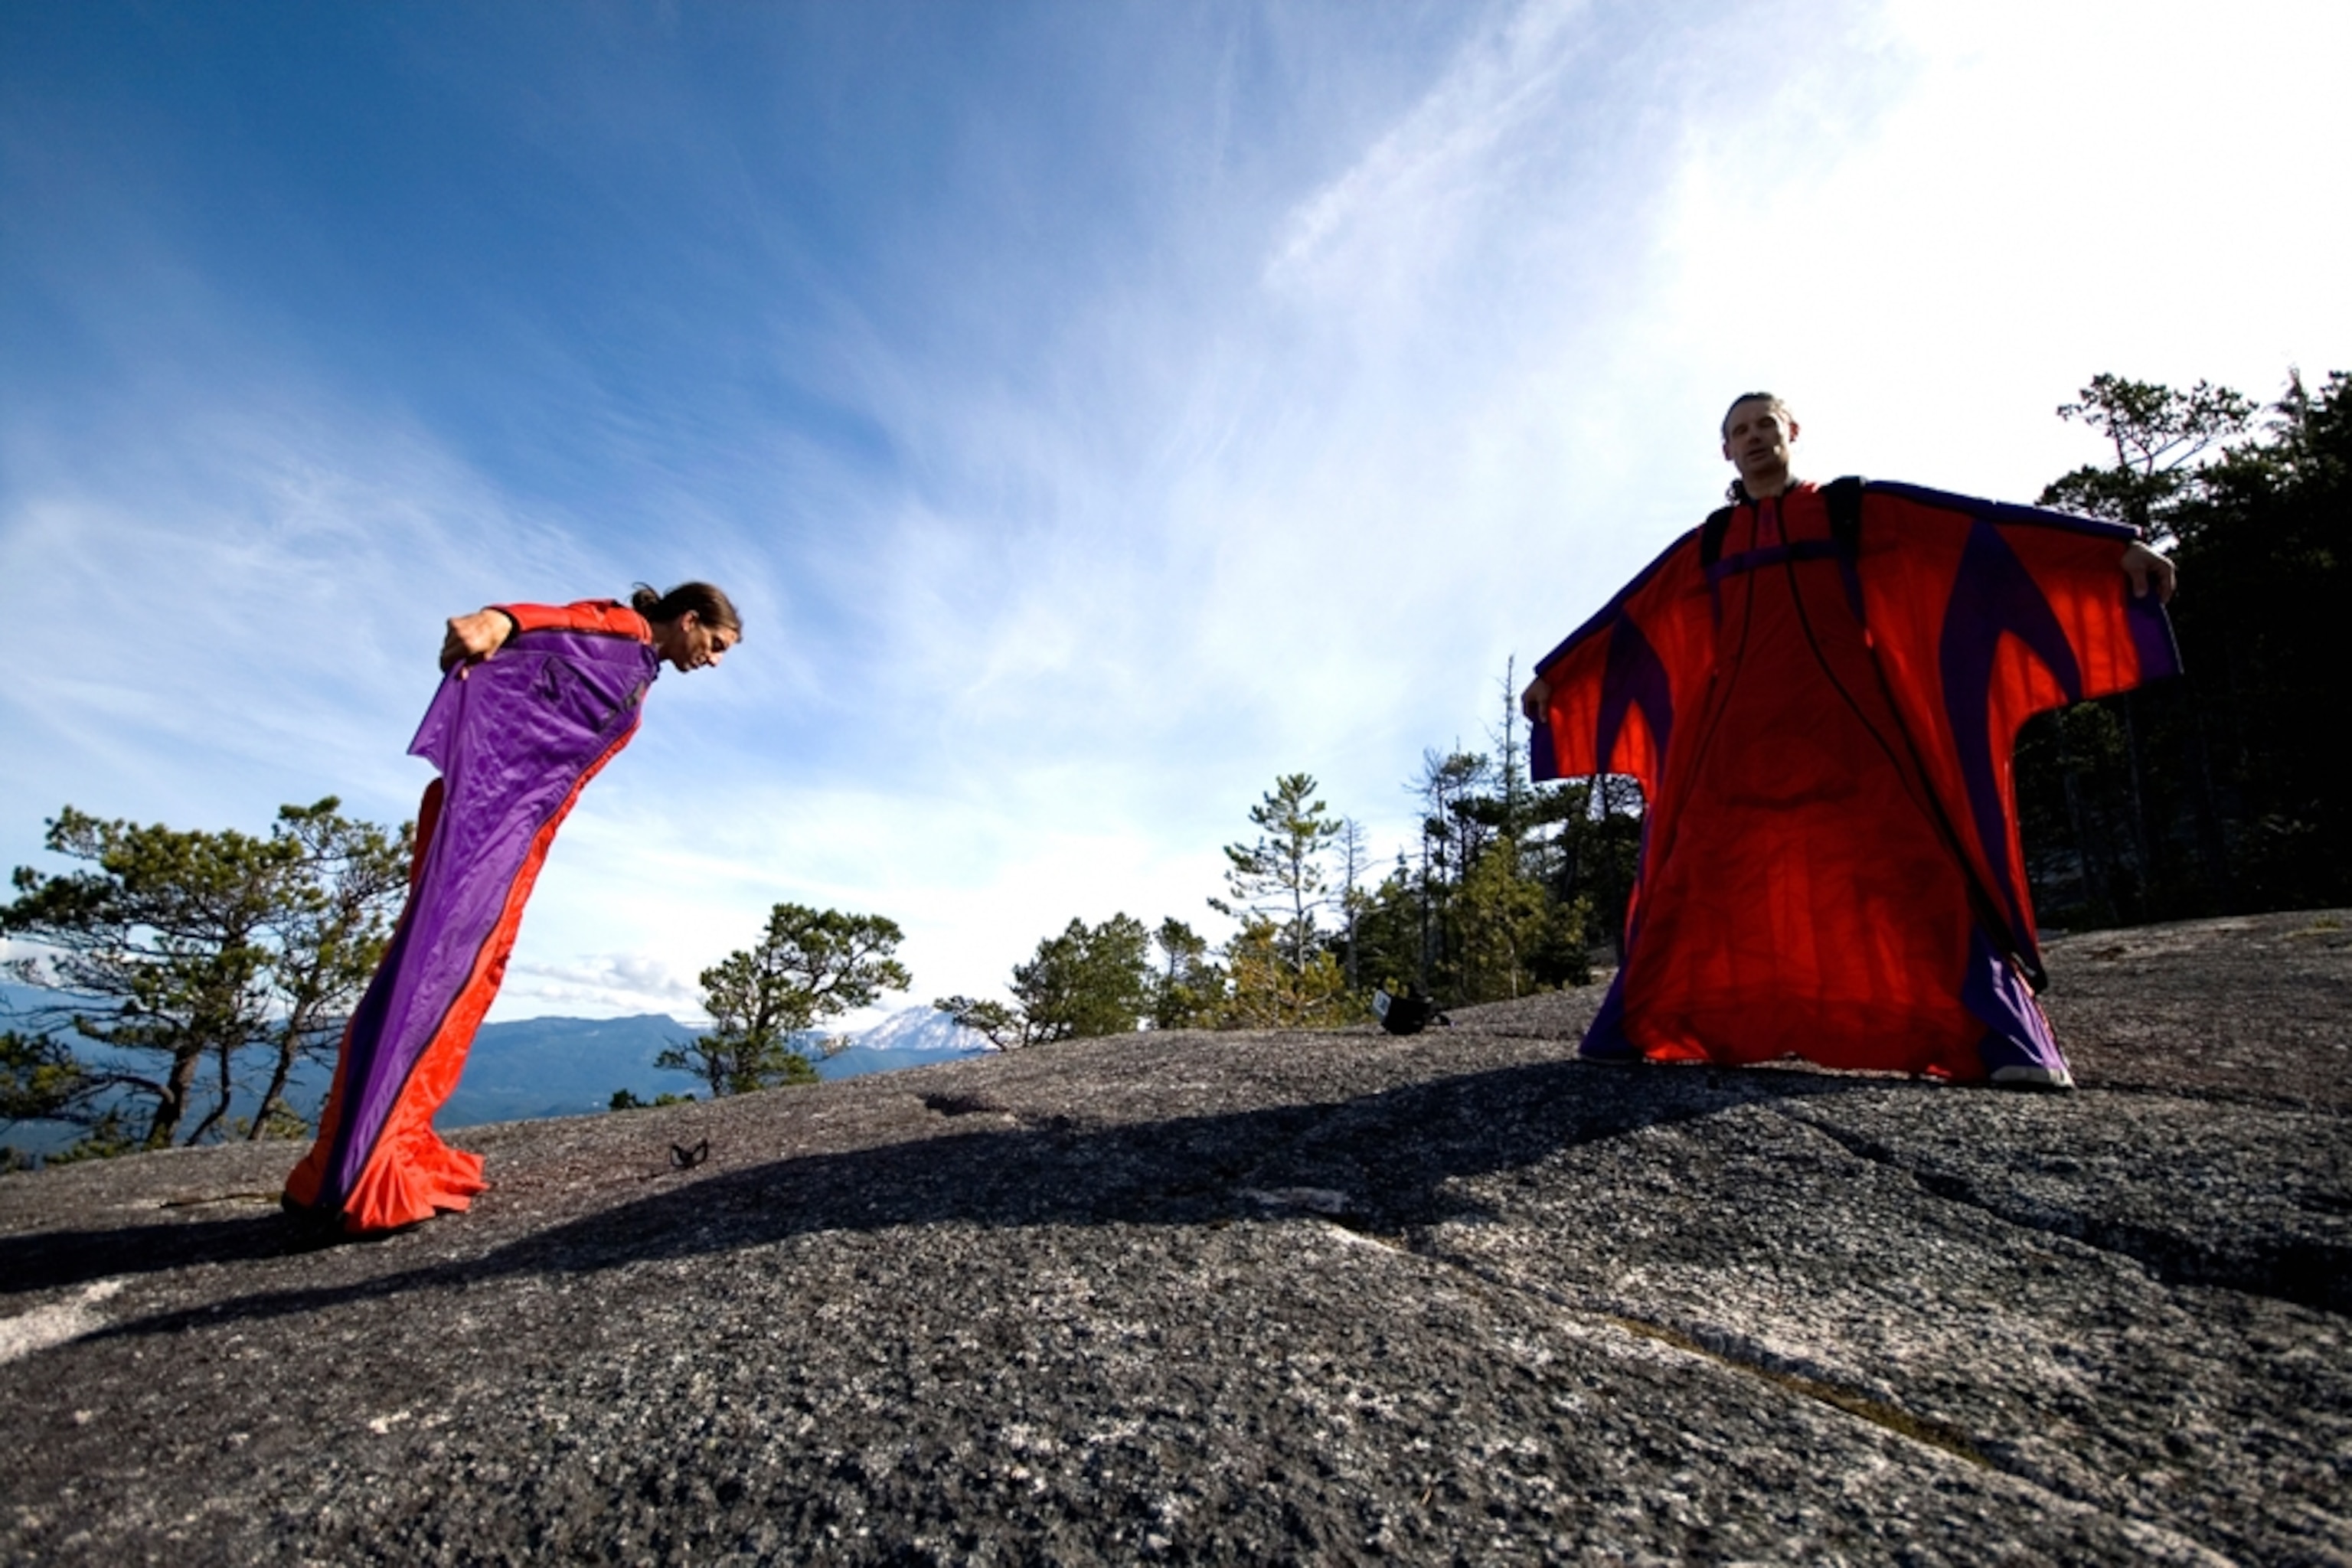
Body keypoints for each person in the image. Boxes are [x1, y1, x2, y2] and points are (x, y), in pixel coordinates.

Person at [1519, 395, 2178, 1086]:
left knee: (1914, 867)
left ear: (1791, 434)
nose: (1754, 439)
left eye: (1764, 425)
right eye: (1739, 431)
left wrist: (2109, 552)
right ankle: (1634, 1025)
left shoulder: (1848, 511)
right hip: (1733, 750)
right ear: (1725, 452)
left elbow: (1965, 531)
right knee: (1692, 876)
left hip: (1852, 732)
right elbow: (1633, 615)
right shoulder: (1709, 545)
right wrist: (1554, 679)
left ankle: (2004, 1037)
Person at [283, 582, 740, 1240]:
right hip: (490, 827)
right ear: (690, 619)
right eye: (717, 644)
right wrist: (499, 620)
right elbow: (565, 621)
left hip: (514, 832)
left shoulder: (637, 660)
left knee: (460, 981)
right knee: (435, 978)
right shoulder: (622, 634)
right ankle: (357, 1175)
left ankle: (375, 1151)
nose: (714, 660)